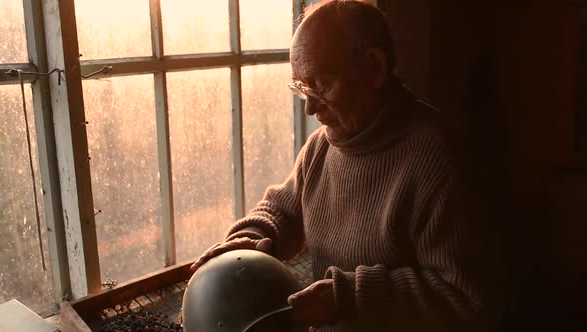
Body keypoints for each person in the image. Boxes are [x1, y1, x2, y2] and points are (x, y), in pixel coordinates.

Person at [191, 0, 504, 331]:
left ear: (374, 67)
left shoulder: (438, 160)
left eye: (322, 86)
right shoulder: (322, 147)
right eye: (302, 88)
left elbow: (469, 298)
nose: (310, 108)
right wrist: (254, 237)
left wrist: (352, 296)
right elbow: (282, 210)